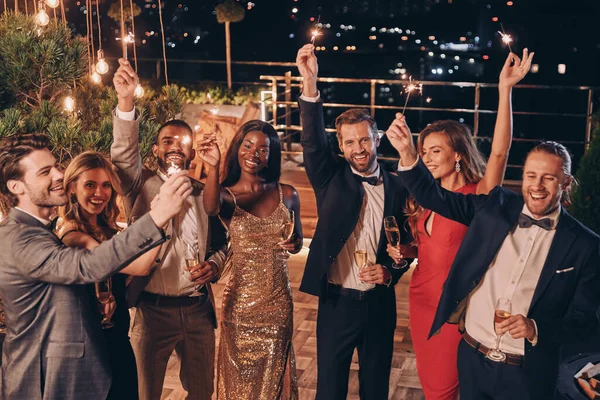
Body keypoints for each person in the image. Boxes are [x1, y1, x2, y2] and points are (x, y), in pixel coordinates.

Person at [388, 116, 600, 399]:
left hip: (527, 371)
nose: (537, 186)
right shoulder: (495, 208)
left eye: (549, 178)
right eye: (530, 176)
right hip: (473, 356)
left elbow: (585, 323)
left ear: (566, 182)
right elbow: (433, 196)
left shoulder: (586, 245)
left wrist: (536, 328)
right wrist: (406, 152)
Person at [385, 50, 534, 399]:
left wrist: (504, 89)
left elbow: (499, 153)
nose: (427, 158)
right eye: (423, 152)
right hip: (419, 301)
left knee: (445, 388)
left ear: (458, 154)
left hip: (455, 310)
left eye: (435, 151)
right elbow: (428, 249)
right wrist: (405, 251)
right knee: (431, 384)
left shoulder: (479, 197)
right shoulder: (427, 198)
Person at [0, 133, 190, 399]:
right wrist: (158, 216)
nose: (58, 175)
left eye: (56, 166)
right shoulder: (19, 237)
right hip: (45, 380)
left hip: (83, 368)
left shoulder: (38, 231)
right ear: (16, 187)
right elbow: (89, 265)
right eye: (45, 171)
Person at [296, 44, 413, 399]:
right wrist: (311, 84)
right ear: (342, 147)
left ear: (377, 139)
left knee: (375, 388)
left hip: (380, 304)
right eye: (349, 143)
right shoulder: (329, 177)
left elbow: (407, 244)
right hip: (337, 304)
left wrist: (392, 271)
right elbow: (313, 143)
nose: (359, 148)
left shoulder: (397, 185)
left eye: (365, 139)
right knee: (329, 390)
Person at [110, 59, 227, 400]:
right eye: (167, 141)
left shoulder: (203, 193)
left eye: (182, 142)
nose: (175, 146)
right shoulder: (139, 185)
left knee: (203, 393)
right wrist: (126, 102)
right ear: (155, 149)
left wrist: (215, 265)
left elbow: (225, 242)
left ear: (192, 151)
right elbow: (122, 154)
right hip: (151, 311)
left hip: (197, 311)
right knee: (144, 394)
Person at [200, 120, 303, 399]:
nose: (253, 153)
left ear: (271, 155)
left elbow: (298, 243)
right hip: (239, 306)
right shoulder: (225, 195)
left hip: (278, 303)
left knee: (273, 379)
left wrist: (293, 244)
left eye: (262, 149)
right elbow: (209, 208)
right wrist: (212, 166)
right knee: (237, 383)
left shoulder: (288, 194)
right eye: (247, 145)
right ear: (237, 148)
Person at [56, 151, 162, 399]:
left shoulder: (106, 230)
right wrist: (162, 219)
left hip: (117, 340)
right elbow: (139, 266)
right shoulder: (74, 236)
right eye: (89, 185)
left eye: (105, 185)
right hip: (90, 349)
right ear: (72, 187)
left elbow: (131, 277)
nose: (99, 193)